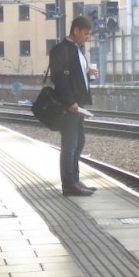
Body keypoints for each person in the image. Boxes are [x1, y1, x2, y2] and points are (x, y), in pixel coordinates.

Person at [49, 15, 97, 196]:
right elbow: (59, 78)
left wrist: (89, 74)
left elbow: (75, 75)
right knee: (69, 143)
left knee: (79, 141)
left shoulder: (77, 49)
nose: (87, 37)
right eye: (85, 33)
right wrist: (70, 102)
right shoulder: (60, 50)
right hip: (69, 105)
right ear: (75, 30)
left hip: (79, 104)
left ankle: (75, 180)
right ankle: (69, 184)